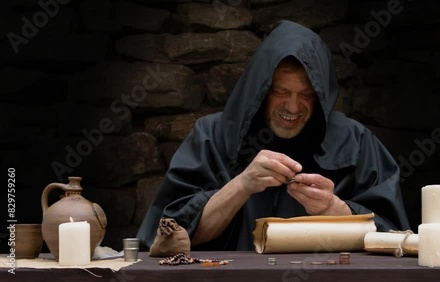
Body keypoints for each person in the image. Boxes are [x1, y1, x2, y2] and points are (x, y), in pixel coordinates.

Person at [137, 20, 410, 251]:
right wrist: (242, 185)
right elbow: (170, 236)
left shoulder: (356, 141)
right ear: (262, 89)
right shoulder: (212, 137)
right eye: (281, 92)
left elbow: (395, 239)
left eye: (305, 95)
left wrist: (333, 208)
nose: (292, 107)